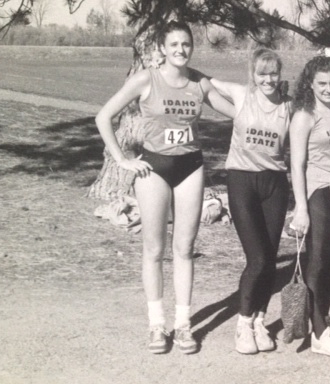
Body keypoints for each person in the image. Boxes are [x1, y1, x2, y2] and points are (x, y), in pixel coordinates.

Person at [95, 20, 234, 354]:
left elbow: (235, 110)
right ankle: (157, 325)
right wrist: (122, 160)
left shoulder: (198, 82)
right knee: (154, 250)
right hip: (153, 169)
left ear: (191, 46)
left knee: (184, 249)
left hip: (191, 167)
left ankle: (183, 325)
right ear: (162, 48)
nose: (180, 50)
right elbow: (104, 117)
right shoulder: (147, 79)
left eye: (186, 44)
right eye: (174, 45)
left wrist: (268, 107)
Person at [210, 49, 292, 355]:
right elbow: (205, 82)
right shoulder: (242, 94)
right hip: (242, 181)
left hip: (275, 185)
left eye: (273, 73)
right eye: (262, 73)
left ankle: (260, 319)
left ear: (280, 74)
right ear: (252, 74)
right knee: (256, 258)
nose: (268, 79)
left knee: (269, 259)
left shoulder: (288, 106)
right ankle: (243, 323)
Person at [288, 55, 330, 358]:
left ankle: (324, 317)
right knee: (319, 258)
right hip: (318, 188)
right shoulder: (305, 116)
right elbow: (297, 164)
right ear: (310, 84)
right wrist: (301, 207)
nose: (328, 89)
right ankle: (317, 332)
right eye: (321, 84)